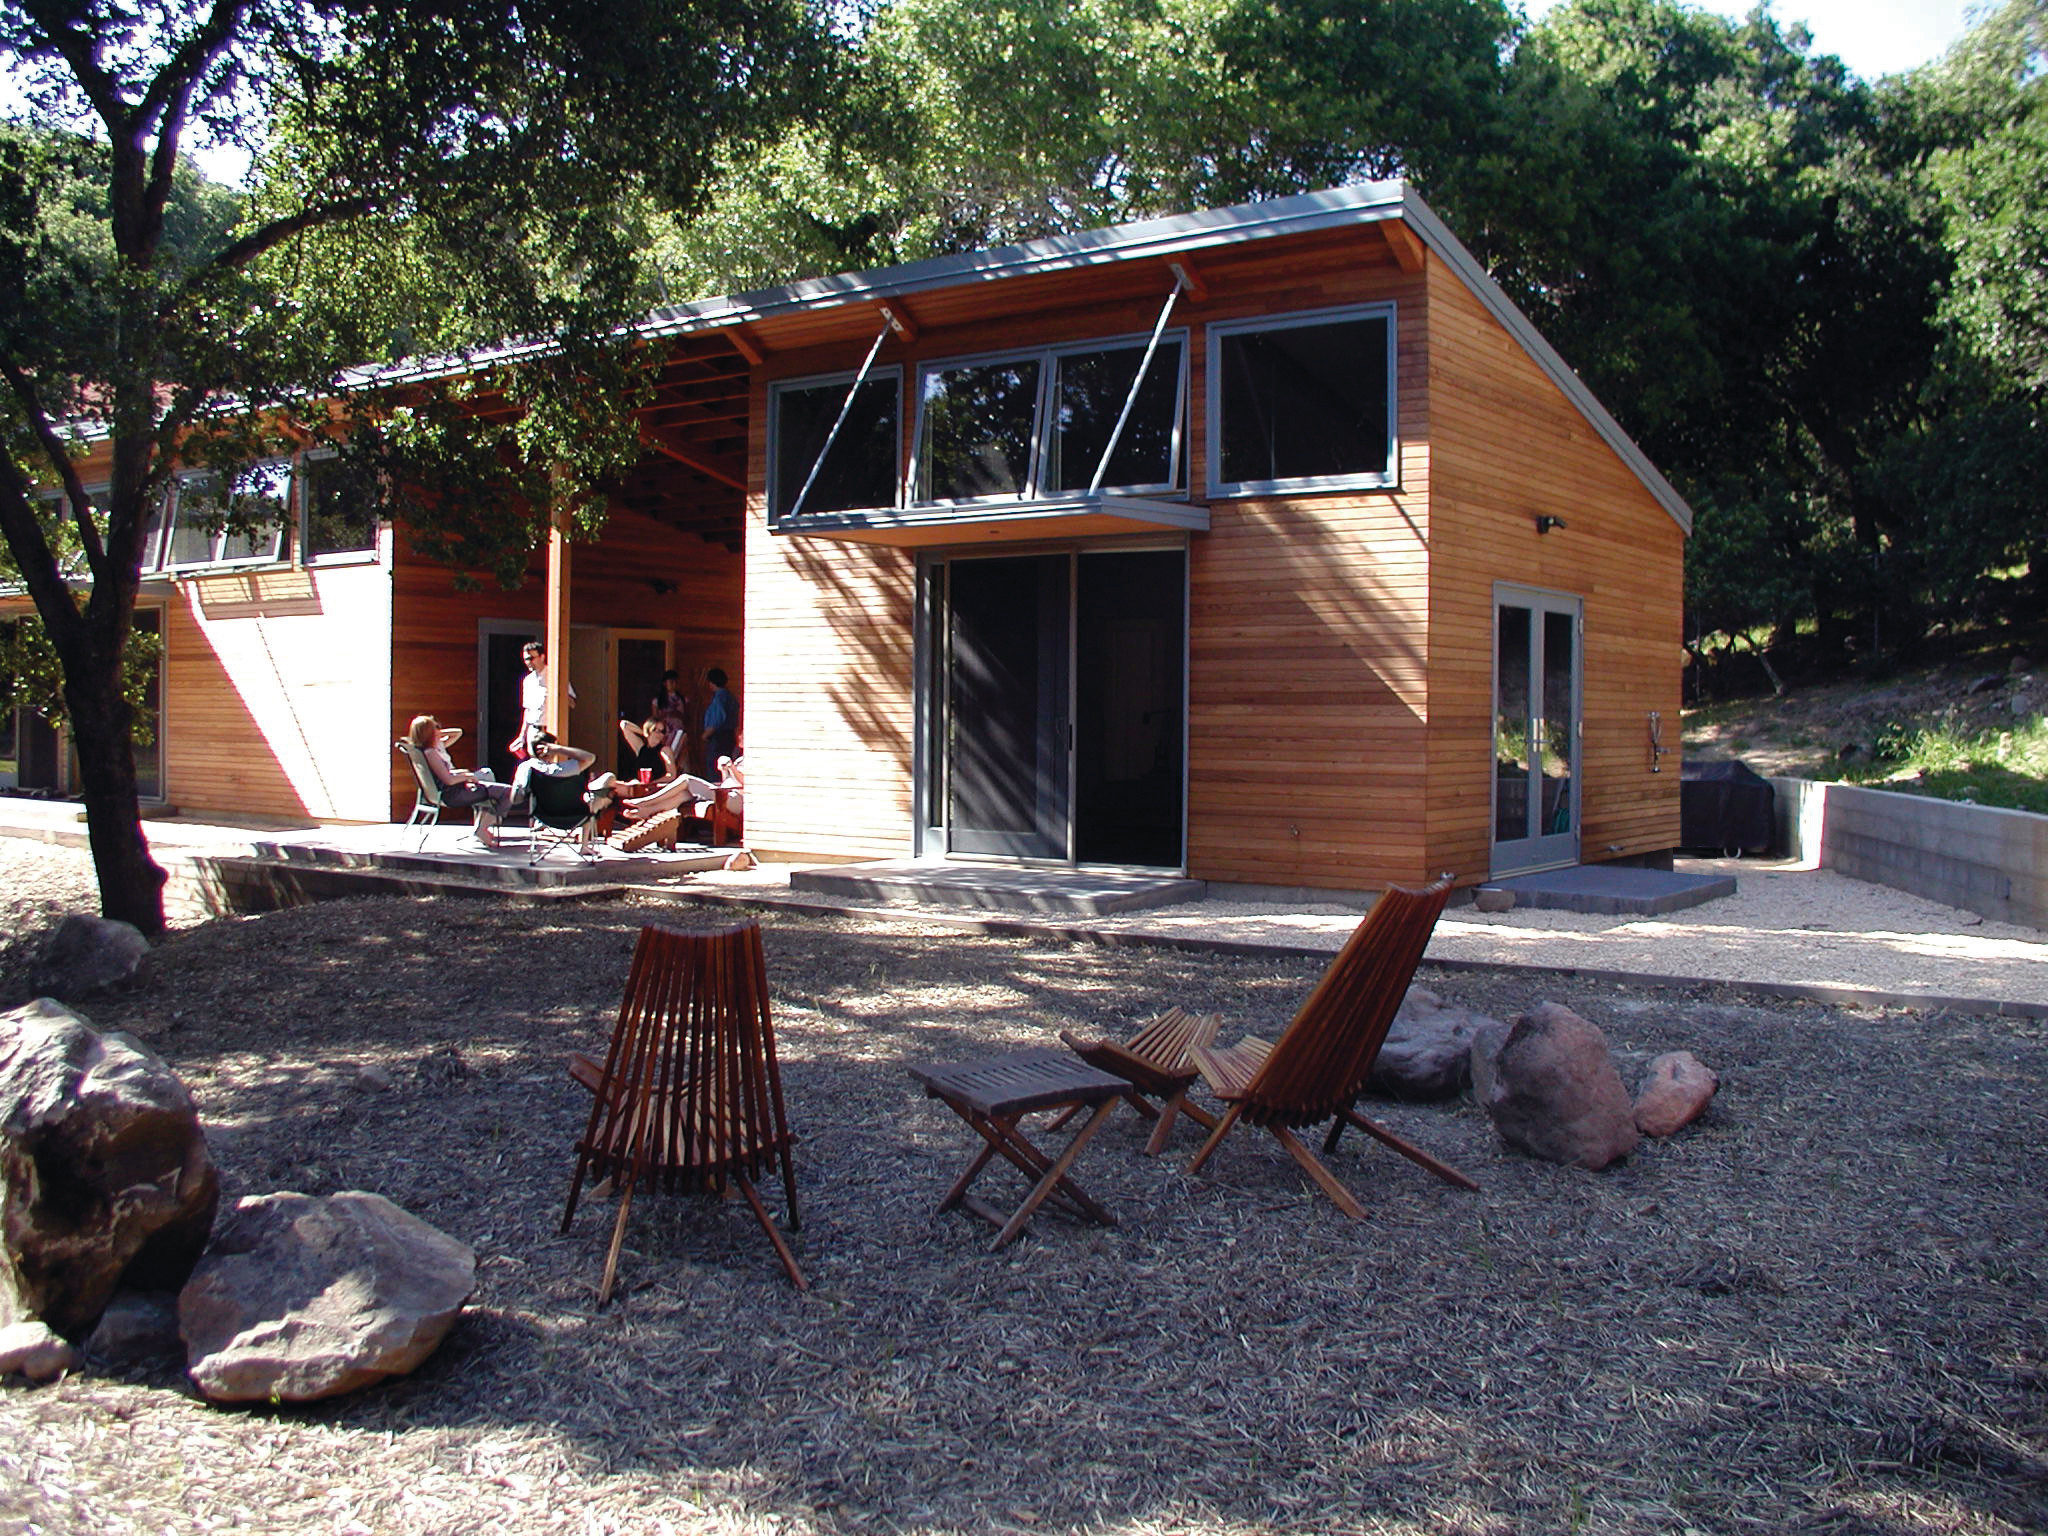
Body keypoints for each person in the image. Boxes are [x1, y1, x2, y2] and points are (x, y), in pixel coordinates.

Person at [408, 714, 513, 849]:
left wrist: (465, 775)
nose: (439, 730)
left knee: (495, 786)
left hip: (452, 791)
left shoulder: (428, 751)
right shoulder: (431, 753)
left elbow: (446, 774)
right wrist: (467, 777)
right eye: (435, 728)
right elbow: (449, 780)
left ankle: (481, 828)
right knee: (508, 793)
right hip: (452, 794)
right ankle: (482, 828)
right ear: (429, 732)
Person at [513, 639, 575, 757]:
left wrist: (557, 693)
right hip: (533, 730)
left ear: (542, 657)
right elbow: (528, 710)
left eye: (531, 658)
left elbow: (572, 703)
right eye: (526, 659)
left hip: (550, 731)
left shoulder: (555, 676)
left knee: (550, 763)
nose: (528, 662)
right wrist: (522, 736)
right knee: (534, 762)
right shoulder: (528, 680)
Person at [616, 714, 680, 783]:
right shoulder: (641, 747)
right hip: (641, 785)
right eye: (655, 730)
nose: (659, 734)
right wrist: (644, 733)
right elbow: (624, 725)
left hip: (658, 786)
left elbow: (672, 775)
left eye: (662, 731)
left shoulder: (665, 750)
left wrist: (652, 783)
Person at [698, 666, 737, 776]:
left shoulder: (719, 698)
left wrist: (705, 735)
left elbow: (716, 720)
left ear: (711, 683)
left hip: (718, 737)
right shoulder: (730, 697)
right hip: (729, 736)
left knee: (715, 768)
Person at [650, 668, 690, 745]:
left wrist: (678, 715)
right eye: (671, 682)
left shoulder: (683, 700)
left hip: (679, 731)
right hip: (664, 732)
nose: (674, 684)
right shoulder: (657, 700)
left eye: (676, 682)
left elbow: (687, 717)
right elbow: (655, 718)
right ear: (665, 683)